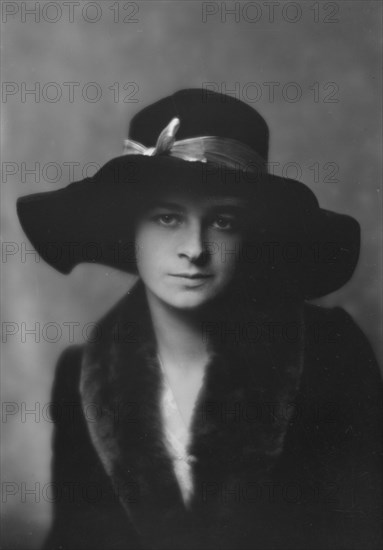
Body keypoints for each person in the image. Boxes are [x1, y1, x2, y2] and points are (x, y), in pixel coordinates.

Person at [17, 89, 382, 550]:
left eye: (223, 221)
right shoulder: (81, 376)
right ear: (131, 229)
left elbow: (363, 530)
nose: (195, 248)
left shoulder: (331, 352)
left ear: (251, 236)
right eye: (168, 218)